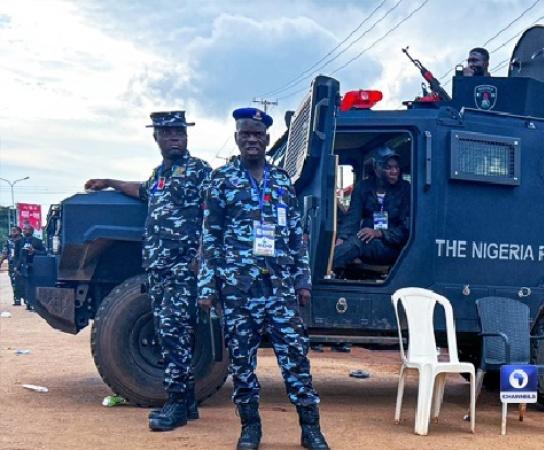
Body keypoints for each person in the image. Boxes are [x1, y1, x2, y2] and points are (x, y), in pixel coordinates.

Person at [197, 107, 329, 450]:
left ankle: (311, 429)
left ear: (268, 140)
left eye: (258, 134)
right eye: (246, 134)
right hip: (239, 287)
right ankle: (250, 428)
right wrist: (207, 287)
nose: (252, 139)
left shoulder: (283, 180)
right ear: (237, 138)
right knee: (242, 362)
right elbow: (210, 237)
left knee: (296, 358)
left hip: (281, 288)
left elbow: (296, 235)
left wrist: (303, 280)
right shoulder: (222, 180)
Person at [84, 111, 211, 432]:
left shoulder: (199, 171)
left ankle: (177, 405)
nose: (175, 137)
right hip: (160, 267)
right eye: (167, 133)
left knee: (174, 333)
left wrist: (201, 256)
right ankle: (188, 403)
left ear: (187, 136)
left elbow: (214, 213)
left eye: (179, 132)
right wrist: (109, 182)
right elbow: (142, 190)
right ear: (156, 138)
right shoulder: (161, 174)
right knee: (171, 331)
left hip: (182, 267)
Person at [332, 146, 410, 275]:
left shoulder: (405, 190)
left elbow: (406, 230)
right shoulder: (363, 187)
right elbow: (352, 218)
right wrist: (341, 239)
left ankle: (319, 275)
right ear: (376, 169)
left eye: (396, 167)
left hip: (391, 246)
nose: (394, 171)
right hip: (366, 240)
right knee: (348, 244)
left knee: (358, 243)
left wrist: (379, 233)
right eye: (388, 167)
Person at [13, 224, 45, 310]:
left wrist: (34, 251)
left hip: (34, 266)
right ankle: (28, 303)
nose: (24, 231)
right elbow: (16, 256)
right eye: (23, 229)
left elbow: (44, 253)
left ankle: (34, 303)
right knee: (25, 285)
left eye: (26, 229)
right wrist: (16, 267)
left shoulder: (38, 241)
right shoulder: (19, 242)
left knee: (33, 285)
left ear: (32, 231)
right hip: (23, 266)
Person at [0, 226, 23, 306]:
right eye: (12, 231)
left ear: (19, 232)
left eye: (14, 231)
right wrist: (1, 261)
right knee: (14, 282)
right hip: (12, 264)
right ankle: (17, 299)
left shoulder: (23, 240)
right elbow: (5, 253)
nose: (13, 232)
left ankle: (27, 300)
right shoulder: (8, 242)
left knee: (24, 282)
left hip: (23, 264)